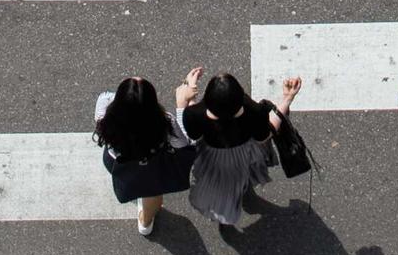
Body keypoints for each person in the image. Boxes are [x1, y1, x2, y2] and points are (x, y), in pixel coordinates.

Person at [180, 71, 301, 229]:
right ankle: (243, 188)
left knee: (220, 189)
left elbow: (190, 135)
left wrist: (188, 93)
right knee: (241, 178)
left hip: (213, 159)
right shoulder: (253, 110)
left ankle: (224, 214)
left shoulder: (195, 113)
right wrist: (287, 98)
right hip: (244, 155)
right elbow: (265, 134)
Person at [94, 68, 201, 235]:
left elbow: (109, 98)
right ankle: (145, 222)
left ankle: (135, 196)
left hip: (118, 163)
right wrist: (183, 105)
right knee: (151, 194)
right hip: (153, 166)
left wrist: (129, 101)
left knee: (129, 182)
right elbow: (185, 143)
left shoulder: (104, 111)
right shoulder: (166, 121)